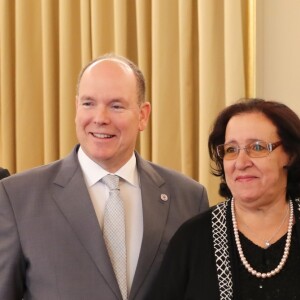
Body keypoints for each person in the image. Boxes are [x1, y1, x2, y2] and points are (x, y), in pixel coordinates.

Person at [0, 54, 209, 300]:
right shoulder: (17, 197)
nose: (100, 118)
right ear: (76, 107)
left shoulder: (188, 198)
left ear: (143, 115)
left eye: (116, 106)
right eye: (89, 103)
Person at [148, 98, 300, 300]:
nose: (241, 162)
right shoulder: (192, 238)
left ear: (289, 155)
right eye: (231, 150)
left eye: (256, 147)